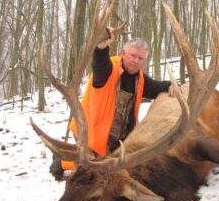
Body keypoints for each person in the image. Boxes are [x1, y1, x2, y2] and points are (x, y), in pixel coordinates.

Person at [50, 29, 177, 180]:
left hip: (118, 137)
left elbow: (157, 87)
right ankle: (62, 161)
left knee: (124, 166)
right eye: (133, 56)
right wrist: (101, 47)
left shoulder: (140, 78)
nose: (136, 61)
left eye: (141, 58)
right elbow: (99, 65)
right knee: (97, 168)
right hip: (92, 134)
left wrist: (170, 85)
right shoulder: (109, 70)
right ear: (123, 53)